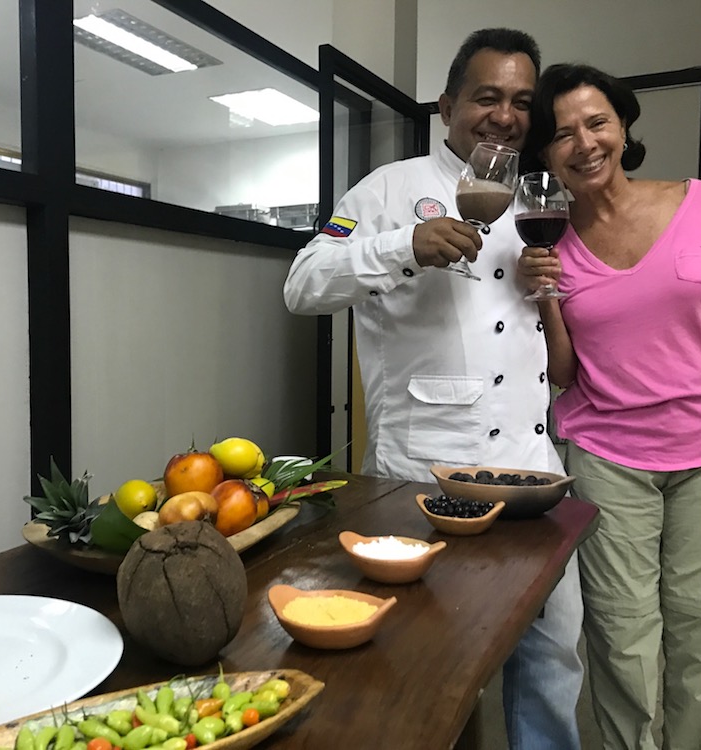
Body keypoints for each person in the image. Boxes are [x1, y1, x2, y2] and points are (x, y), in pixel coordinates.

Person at [283, 28, 584, 750]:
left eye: (521, 101)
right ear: (447, 105)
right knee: (428, 663)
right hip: (426, 473)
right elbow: (302, 284)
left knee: (551, 661)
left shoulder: (534, 196)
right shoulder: (386, 189)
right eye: (487, 97)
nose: (504, 116)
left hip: (531, 470)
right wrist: (402, 247)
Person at [518, 63, 701, 750]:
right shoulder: (549, 243)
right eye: (563, 134)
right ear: (546, 153)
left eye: (597, 123)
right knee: (623, 638)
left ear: (623, 125)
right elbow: (563, 373)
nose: (584, 144)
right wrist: (544, 295)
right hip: (608, 457)